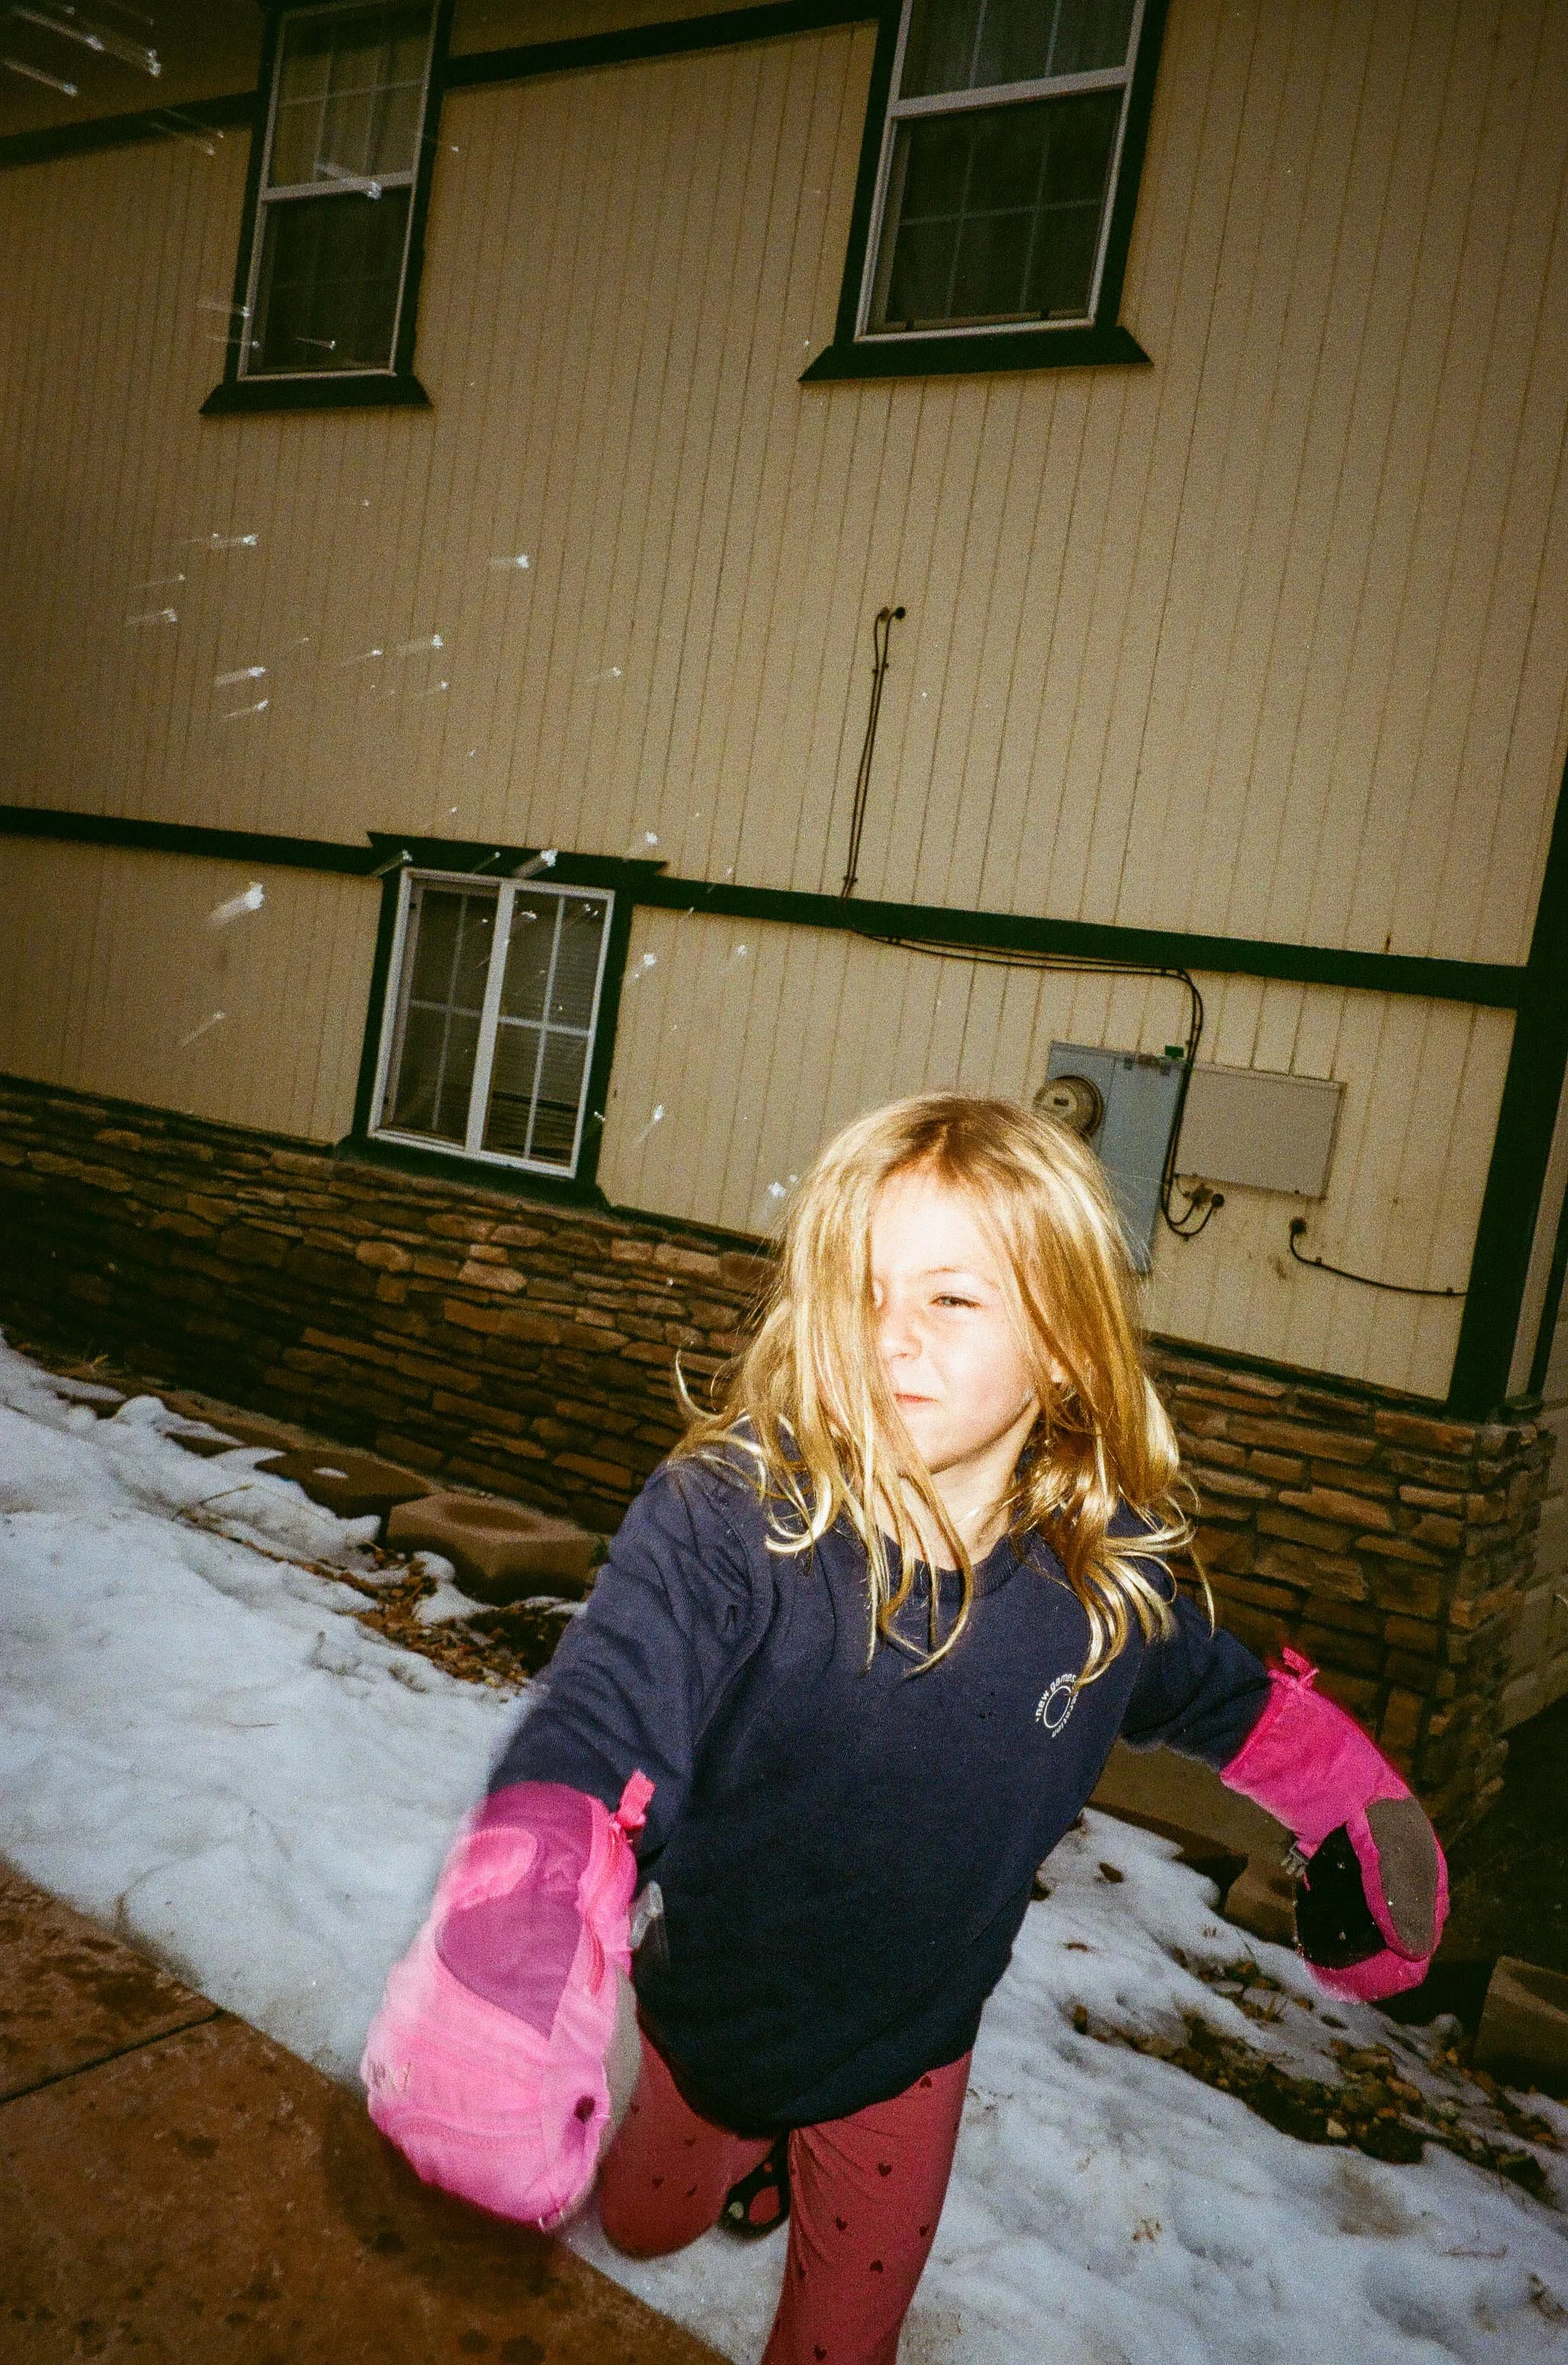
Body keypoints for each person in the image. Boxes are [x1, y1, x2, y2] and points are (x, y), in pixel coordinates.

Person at [363, 1094, 1447, 2365]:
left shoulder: (1103, 1588)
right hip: (711, 2013)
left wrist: (1358, 1810)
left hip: (909, 2051)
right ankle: (743, 2153)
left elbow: (1233, 1706)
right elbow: (605, 1715)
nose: (889, 1340)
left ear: (1063, 1345)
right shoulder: (732, 1525)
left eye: (951, 1299)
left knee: (843, 2341)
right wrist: (520, 1923)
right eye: (863, 1292)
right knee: (649, 2225)